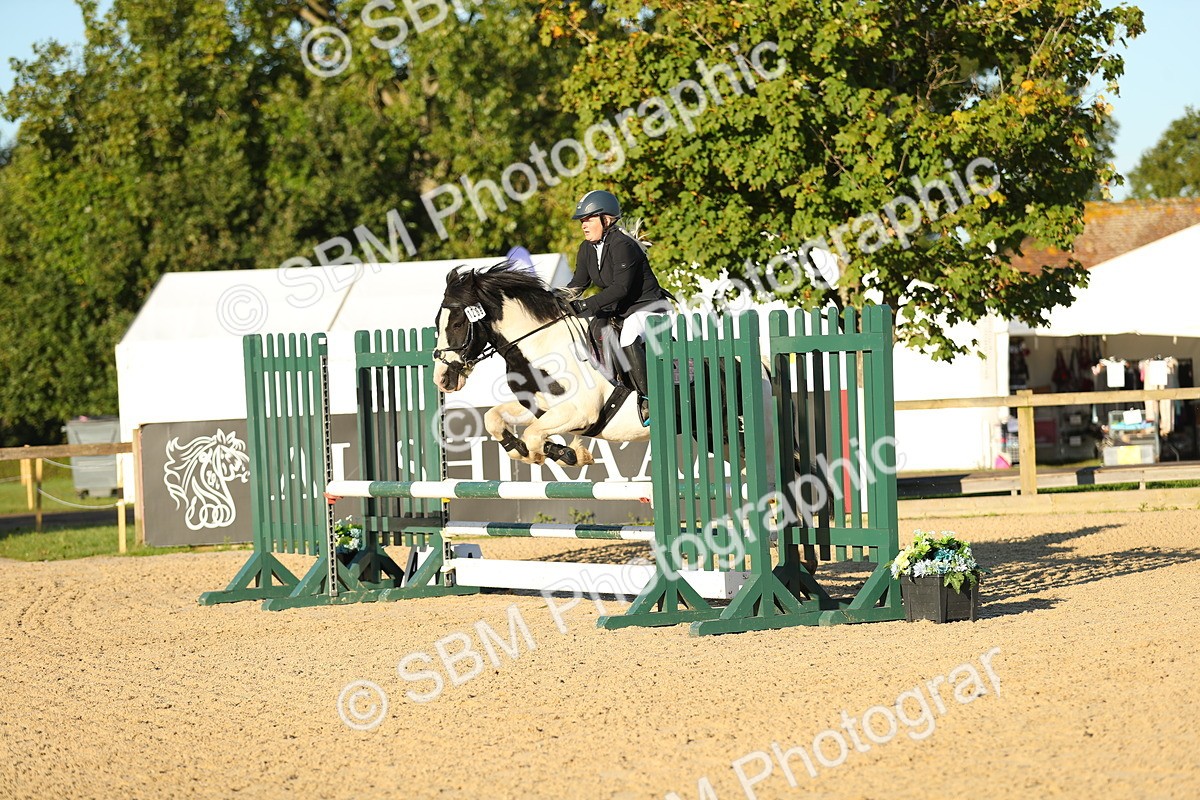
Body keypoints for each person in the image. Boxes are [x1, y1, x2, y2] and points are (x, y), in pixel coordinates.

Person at [565, 190, 671, 425]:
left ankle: (649, 398)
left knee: (629, 334)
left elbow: (620, 289)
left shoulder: (623, 244)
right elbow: (578, 283)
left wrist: (585, 305)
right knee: (593, 330)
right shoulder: (586, 249)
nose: (584, 225)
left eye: (589, 219)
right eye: (582, 220)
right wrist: (556, 299)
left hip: (650, 309)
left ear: (606, 219)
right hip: (621, 310)